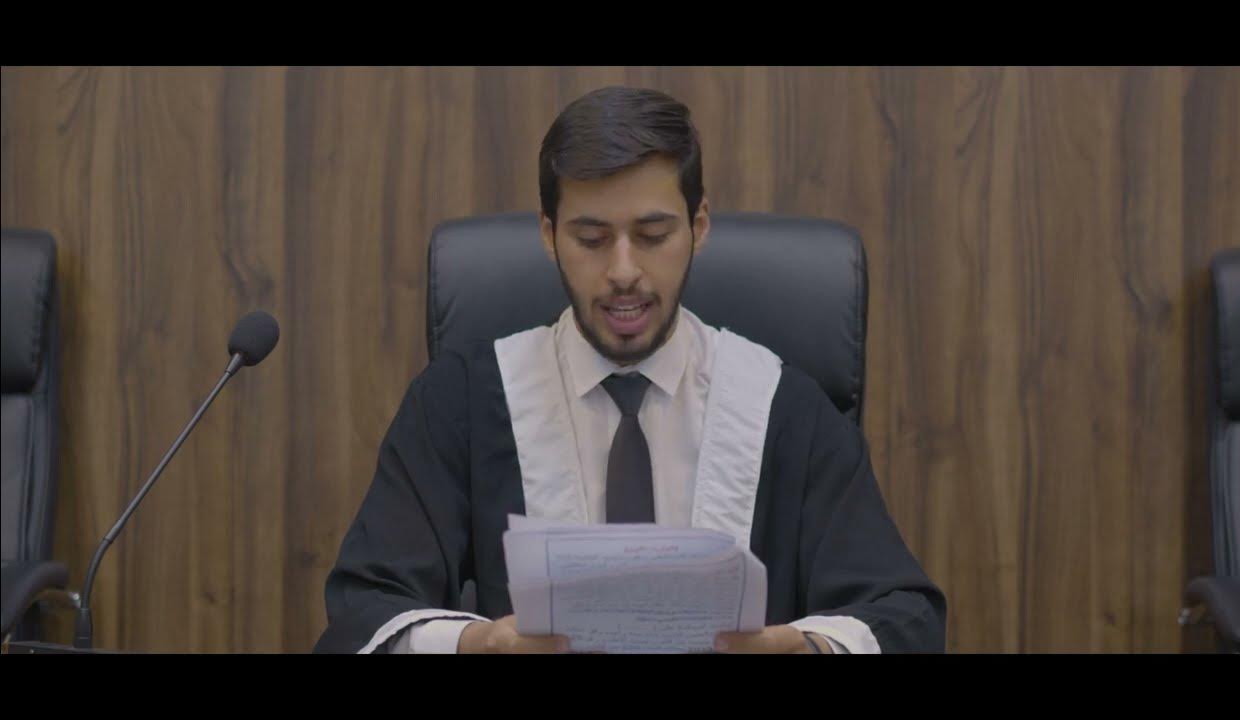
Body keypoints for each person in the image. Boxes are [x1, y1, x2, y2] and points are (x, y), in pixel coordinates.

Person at [314, 86, 946, 654]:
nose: (623, 271)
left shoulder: (784, 406)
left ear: (698, 227)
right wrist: (476, 644)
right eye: (591, 239)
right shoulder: (460, 403)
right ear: (548, 234)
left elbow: (905, 620)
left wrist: (805, 649)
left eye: (653, 235)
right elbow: (365, 614)